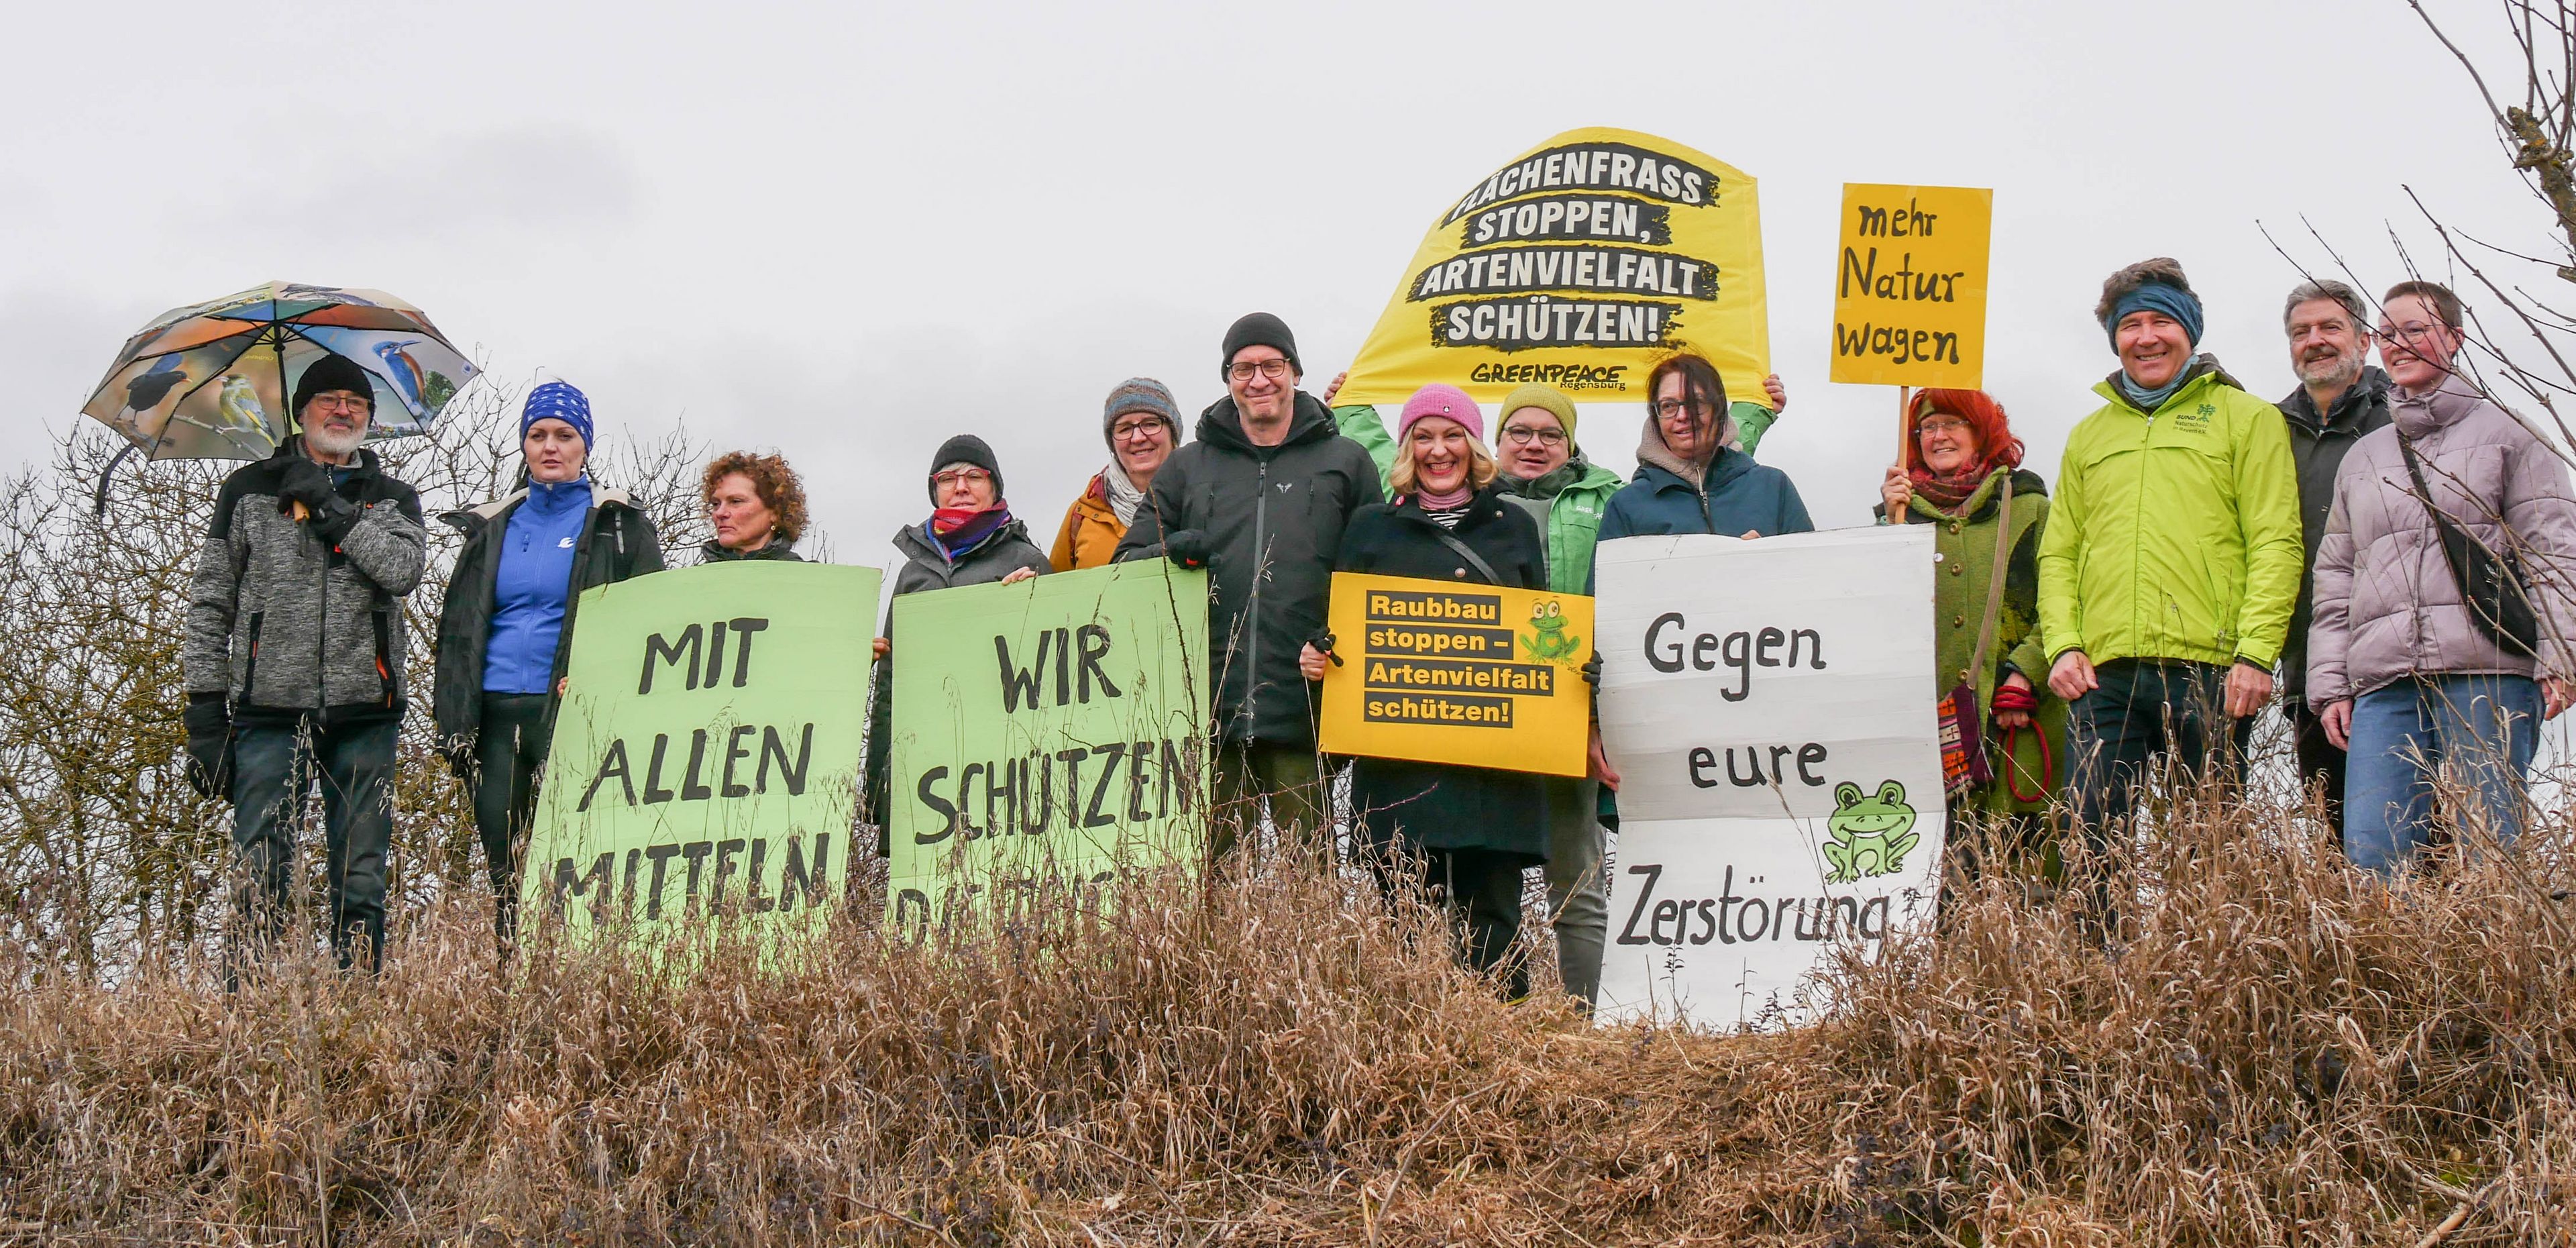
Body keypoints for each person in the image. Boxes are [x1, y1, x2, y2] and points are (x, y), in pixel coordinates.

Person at [2037, 258, 2301, 923]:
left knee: (2209, 845)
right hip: (2105, 675)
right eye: (2131, 326)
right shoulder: (2089, 436)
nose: (2146, 338)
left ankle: (2210, 987)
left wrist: (2254, 653)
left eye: (2161, 322)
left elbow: (2276, 540)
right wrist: (2064, 645)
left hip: (2208, 668)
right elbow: (2060, 552)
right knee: (2093, 841)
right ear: (2114, 340)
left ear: (2189, 331)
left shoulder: (2247, 418)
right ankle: (2099, 992)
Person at [2307, 280, 2576, 874]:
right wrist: (2330, 684)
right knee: (2373, 855)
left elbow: (2553, 552)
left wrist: (2560, 655)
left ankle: (2505, 967)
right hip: (2384, 687)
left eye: (2415, 330)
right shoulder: (2364, 458)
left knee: (2490, 850)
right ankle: (2398, 968)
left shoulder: (2512, 434)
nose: (2398, 344)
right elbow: (2336, 579)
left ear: (2454, 338)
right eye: (2387, 334)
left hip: (2488, 673)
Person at [1300, 385, 1549, 999]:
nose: (1440, 451)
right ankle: (1411, 1060)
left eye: (1453, 435)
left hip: (1495, 772)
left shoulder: (1512, 525)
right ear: (1407, 448)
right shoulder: (1369, 529)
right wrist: (1320, 654)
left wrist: (1572, 667)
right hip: (1401, 774)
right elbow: (1344, 629)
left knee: (1493, 928)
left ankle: (1504, 1056)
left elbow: (1540, 632)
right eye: (1424, 438)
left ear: (1473, 444)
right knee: (1402, 929)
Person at [181, 353, 427, 974]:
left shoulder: (392, 497)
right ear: (301, 411)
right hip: (267, 711)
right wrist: (205, 713)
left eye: (357, 403)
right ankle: (251, 1018)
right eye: (329, 399)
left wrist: (332, 510)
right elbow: (212, 602)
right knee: (260, 866)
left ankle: (359, 1012)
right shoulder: (247, 492)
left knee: (363, 875)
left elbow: (401, 573)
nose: (343, 411)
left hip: (366, 711)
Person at [1115, 313, 1382, 861]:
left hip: (1305, 711)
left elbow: (1374, 572)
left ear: (1296, 373)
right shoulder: (1188, 468)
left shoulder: (1346, 462)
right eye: (1244, 368)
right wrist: (1173, 548)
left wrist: (1339, 643)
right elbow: (1127, 563)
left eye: (1272, 366)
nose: (1258, 379)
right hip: (1208, 712)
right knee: (1214, 882)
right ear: (1228, 379)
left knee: (1309, 886)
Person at [432, 381, 665, 951]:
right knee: (505, 867)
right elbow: (458, 628)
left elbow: (654, 624)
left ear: (586, 444)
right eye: (538, 435)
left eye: (565, 435)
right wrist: (452, 716)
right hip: (492, 715)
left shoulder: (620, 523)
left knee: (576, 864)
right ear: (523, 445)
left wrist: (604, 682)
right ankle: (513, 988)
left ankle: (577, 994)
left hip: (574, 716)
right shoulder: (490, 526)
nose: (551, 446)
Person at [1876, 389, 2062, 883]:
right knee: (1933, 891)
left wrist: (2028, 672)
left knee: (2025, 881)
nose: (1939, 436)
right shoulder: (1897, 519)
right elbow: (1871, 614)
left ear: (1983, 432)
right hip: (1928, 734)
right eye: (1928, 427)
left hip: (2017, 724)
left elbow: (2065, 601)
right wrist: (1884, 529)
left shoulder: (2030, 509)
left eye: (1954, 424)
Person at [865, 435, 1051, 827]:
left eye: (974, 476)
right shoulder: (913, 573)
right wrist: (878, 786)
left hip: (1004, 759)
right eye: (947, 478)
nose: (961, 487)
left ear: (994, 486)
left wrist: (1035, 601)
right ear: (935, 491)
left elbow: (1057, 670)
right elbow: (890, 684)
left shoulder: (1027, 560)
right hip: (925, 759)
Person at [2275, 280, 2393, 836]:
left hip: (2397, 664)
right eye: (2302, 332)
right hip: (2308, 667)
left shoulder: (2402, 416)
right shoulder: (2270, 430)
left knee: (2421, 834)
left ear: (2365, 341)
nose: (2315, 342)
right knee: (2335, 833)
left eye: (2330, 328)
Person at [1323, 370, 1792, 474]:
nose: (1533, 444)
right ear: (1497, 440)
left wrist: (1752, 411)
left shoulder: (1608, 499)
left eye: (1551, 434)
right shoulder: (1462, 494)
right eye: (1520, 433)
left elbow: (1691, 472)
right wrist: (1350, 407)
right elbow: (1397, 464)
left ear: (1570, 446)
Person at [1594, 352, 1813, 549]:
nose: (1682, 416)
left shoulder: (1773, 487)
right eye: (1668, 406)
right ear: (1655, 418)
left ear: (1718, 408)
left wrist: (1769, 562)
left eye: (1695, 402)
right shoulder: (1626, 505)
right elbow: (1604, 591)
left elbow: (1815, 577)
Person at [1051, 378, 1182, 572]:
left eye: (1151, 424)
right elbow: (1054, 591)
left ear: (1173, 433)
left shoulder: (1203, 497)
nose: (1137, 438)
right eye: (1125, 429)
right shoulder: (1082, 514)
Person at [700, 451, 807, 562]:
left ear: (776, 512)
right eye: (716, 504)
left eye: (736, 502)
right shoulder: (696, 577)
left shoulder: (806, 576)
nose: (720, 513)